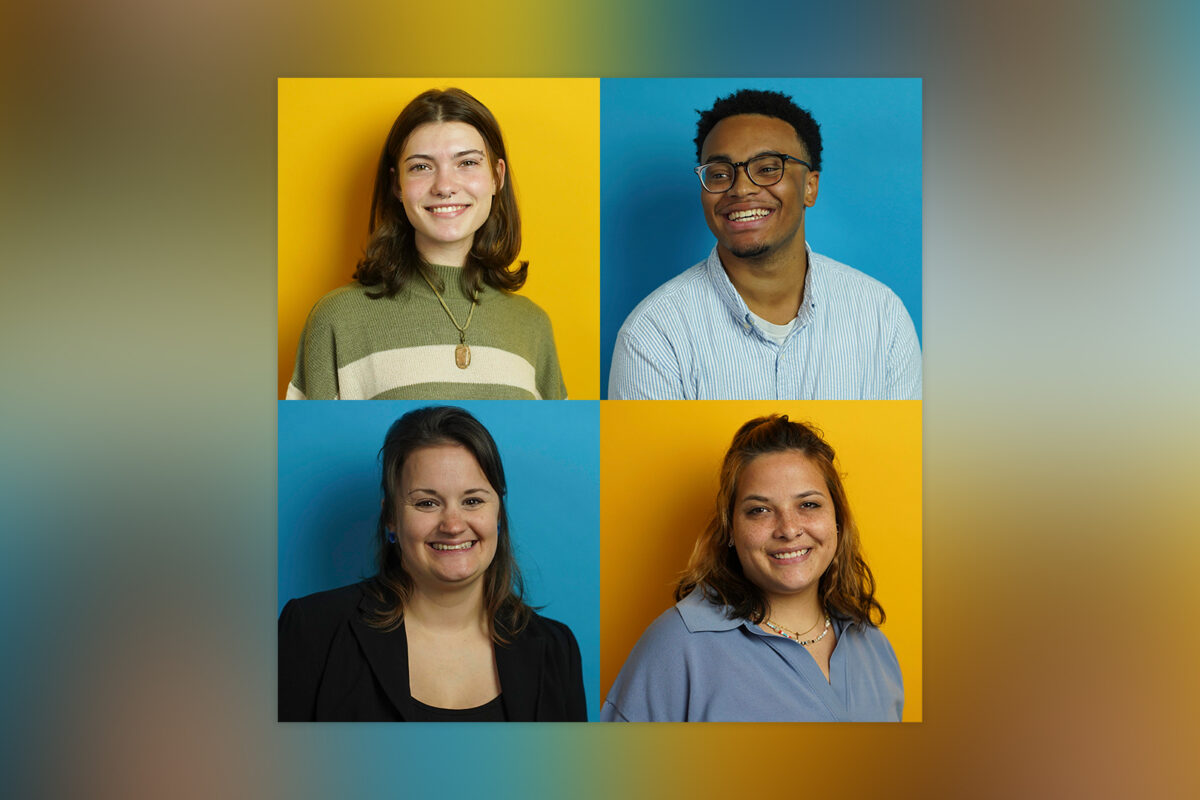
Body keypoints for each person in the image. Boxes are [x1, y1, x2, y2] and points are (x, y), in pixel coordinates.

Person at [608, 88, 921, 400]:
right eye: (719, 174)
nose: (741, 189)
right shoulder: (652, 334)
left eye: (768, 168)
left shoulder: (882, 316)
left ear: (810, 187)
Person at [279, 406, 586, 721]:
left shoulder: (555, 649)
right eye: (427, 503)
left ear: (498, 514)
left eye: (473, 501)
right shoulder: (311, 630)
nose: (453, 525)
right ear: (391, 519)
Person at [601, 414, 902, 722]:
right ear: (730, 529)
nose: (788, 529)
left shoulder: (874, 646)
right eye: (759, 510)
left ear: (838, 519)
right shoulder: (676, 647)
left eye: (808, 505)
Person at [287, 88, 567, 400]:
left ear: (496, 177)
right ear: (397, 184)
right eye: (421, 166)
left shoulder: (533, 325)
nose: (445, 186)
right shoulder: (337, 319)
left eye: (467, 163)